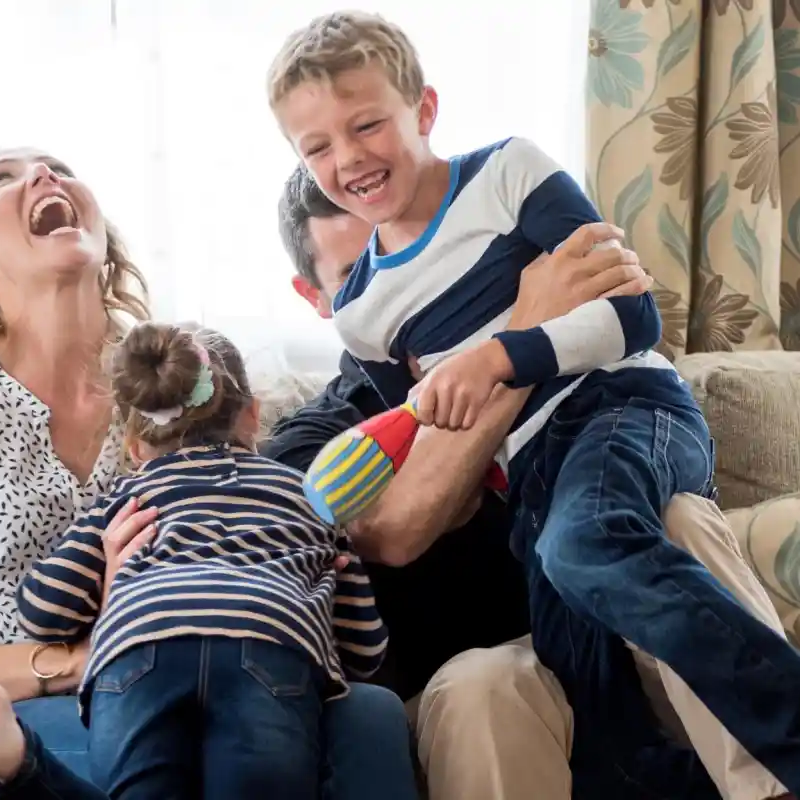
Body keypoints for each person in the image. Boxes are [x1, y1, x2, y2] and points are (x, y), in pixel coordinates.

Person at [267, 10, 799, 800]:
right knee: (577, 639)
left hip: (622, 407)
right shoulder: (359, 333)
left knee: (606, 542)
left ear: (423, 111)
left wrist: (496, 355)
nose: (349, 159)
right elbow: (405, 490)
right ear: (314, 297)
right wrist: (523, 322)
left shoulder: (506, 173)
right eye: (318, 149)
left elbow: (632, 316)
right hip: (534, 494)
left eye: (367, 125)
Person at [0, 147, 427, 800]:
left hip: (180, 679)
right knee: (159, 756)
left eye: (58, 167)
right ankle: (14, 755)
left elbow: (256, 550)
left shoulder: (180, 385)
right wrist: (83, 657)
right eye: (4, 178)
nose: (44, 176)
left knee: (369, 716)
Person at [0, 320, 416, 800]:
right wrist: (337, 583)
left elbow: (41, 610)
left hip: (141, 657)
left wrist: (105, 577)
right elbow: (365, 651)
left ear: (134, 444)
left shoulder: (129, 500)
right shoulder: (307, 496)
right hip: (265, 649)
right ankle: (11, 757)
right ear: (254, 415)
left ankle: (13, 758)